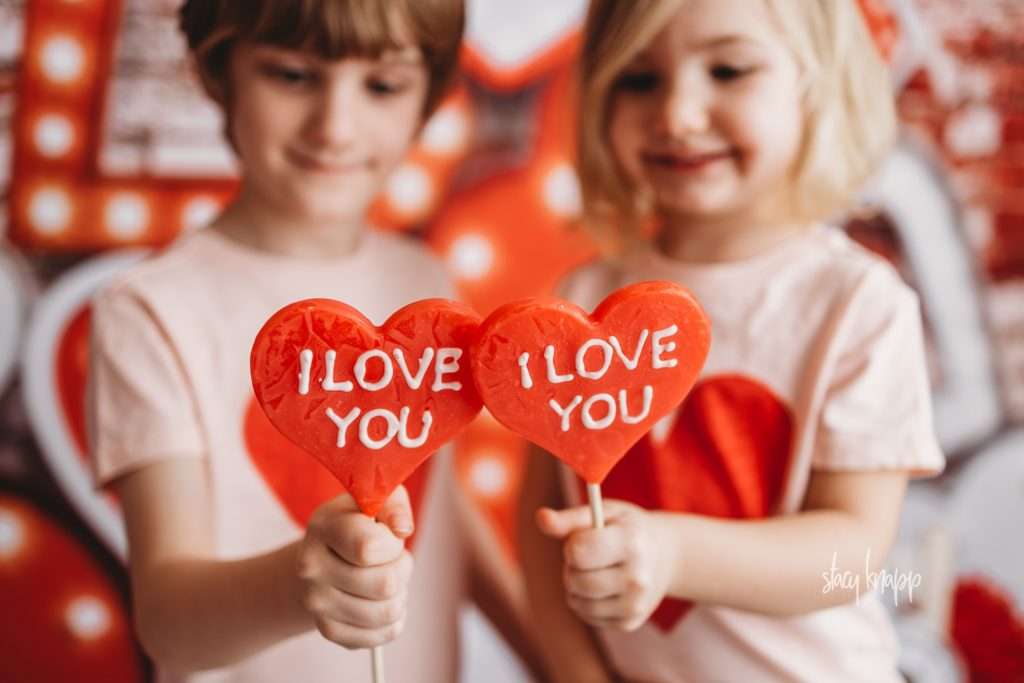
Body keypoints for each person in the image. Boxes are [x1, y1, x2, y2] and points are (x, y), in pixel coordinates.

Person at [518, 1, 945, 681]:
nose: (678, 115)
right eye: (638, 77)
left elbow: (854, 558)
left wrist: (672, 554)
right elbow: (542, 533)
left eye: (729, 69)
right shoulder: (578, 304)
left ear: (819, 82)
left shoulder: (857, 306)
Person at [86, 1, 470, 680]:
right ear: (218, 73)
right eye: (292, 75)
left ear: (429, 98)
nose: (336, 127)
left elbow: (444, 521)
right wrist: (301, 583)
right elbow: (169, 622)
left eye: (382, 86)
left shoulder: (427, 282)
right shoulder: (151, 313)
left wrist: (556, 653)